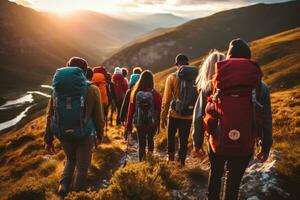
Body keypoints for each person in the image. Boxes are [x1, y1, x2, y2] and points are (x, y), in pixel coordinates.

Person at [192, 40, 273, 200]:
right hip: (245, 144)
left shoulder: (213, 83)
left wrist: (197, 142)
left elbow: (199, 115)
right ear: (248, 58)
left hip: (216, 142)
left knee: (215, 176)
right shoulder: (260, 86)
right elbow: (267, 119)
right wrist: (265, 147)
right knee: (234, 183)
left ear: (228, 58)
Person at [44, 57, 104, 196]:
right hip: (84, 135)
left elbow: (50, 114)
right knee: (82, 168)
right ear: (84, 71)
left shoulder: (57, 90)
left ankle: (63, 187)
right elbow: (98, 117)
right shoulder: (92, 89)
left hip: (63, 134)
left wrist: (48, 139)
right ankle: (77, 194)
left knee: (70, 159)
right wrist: (100, 135)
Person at [161, 54, 198, 166]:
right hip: (189, 115)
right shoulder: (195, 77)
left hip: (174, 114)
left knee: (171, 137)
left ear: (177, 65)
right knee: (184, 140)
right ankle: (182, 163)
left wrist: (162, 117)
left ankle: (171, 160)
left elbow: (166, 100)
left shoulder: (171, 77)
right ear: (188, 63)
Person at [126, 70, 162, 161]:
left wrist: (128, 125)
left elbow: (131, 110)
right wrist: (159, 123)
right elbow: (159, 109)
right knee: (150, 140)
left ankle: (141, 161)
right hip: (151, 122)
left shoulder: (135, 93)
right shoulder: (155, 94)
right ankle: (150, 160)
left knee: (141, 143)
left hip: (139, 122)